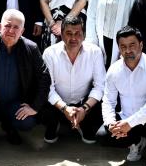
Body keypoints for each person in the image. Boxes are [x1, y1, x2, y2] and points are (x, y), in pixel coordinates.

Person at [0, 9, 50, 154]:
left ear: (22, 31)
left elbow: (44, 77)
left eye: (16, 27)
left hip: (16, 101)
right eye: (7, 26)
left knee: (27, 122)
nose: (11, 31)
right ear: (0, 26)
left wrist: (35, 106)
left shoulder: (31, 48)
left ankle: (9, 127)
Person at [96, 26, 146, 163]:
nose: (128, 51)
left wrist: (131, 122)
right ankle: (137, 142)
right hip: (125, 119)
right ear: (119, 48)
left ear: (141, 45)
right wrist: (111, 123)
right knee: (102, 136)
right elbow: (108, 100)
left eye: (132, 45)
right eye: (123, 46)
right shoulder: (114, 70)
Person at [41, 15, 106, 145]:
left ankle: (83, 121)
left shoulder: (95, 52)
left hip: (84, 103)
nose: (73, 38)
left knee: (100, 103)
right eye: (69, 33)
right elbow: (48, 88)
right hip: (58, 104)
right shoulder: (49, 53)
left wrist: (84, 109)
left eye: (78, 33)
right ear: (61, 34)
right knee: (43, 97)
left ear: (84, 35)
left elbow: (100, 86)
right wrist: (65, 108)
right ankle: (55, 122)